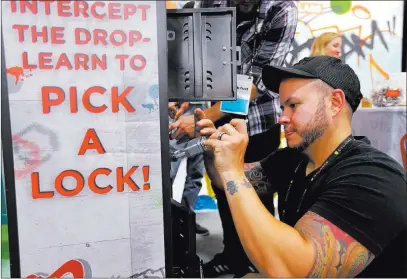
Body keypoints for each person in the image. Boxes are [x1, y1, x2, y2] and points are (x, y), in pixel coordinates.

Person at [198, 56, 407, 277]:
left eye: (293, 105)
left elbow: (294, 273)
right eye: (282, 107)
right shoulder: (293, 159)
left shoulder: (373, 178)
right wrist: (213, 151)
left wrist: (233, 171)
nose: (281, 118)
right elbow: (225, 181)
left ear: (335, 103)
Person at [169, 0, 298, 276]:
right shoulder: (211, 3)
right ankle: (233, 254)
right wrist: (185, 96)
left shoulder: (281, 9)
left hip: (256, 121)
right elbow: (199, 57)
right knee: (222, 190)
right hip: (214, 116)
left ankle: (261, 258)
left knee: (256, 193)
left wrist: (207, 116)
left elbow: (258, 81)